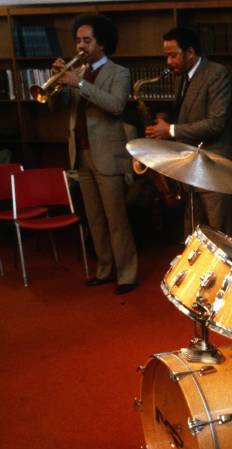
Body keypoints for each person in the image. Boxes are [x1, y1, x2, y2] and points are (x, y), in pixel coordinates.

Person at [51, 13, 138, 295]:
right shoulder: (80, 73)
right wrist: (55, 85)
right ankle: (105, 269)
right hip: (82, 155)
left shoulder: (119, 72)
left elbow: (115, 105)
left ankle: (127, 273)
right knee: (95, 220)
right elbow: (57, 108)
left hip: (108, 156)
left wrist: (77, 83)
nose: (80, 47)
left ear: (101, 43)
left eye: (86, 41)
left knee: (116, 220)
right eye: (77, 40)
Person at [145, 27, 232, 237]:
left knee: (221, 236)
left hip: (215, 168)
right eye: (166, 55)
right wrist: (165, 120)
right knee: (195, 235)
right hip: (191, 168)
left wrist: (171, 130)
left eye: (173, 55)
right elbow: (188, 113)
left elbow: (216, 123)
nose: (168, 61)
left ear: (191, 52)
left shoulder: (216, 74)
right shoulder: (181, 76)